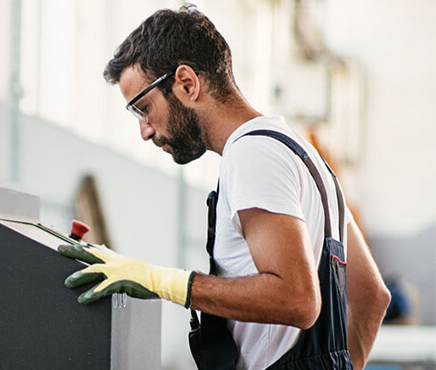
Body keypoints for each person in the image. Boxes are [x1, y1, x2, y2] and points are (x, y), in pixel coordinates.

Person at [58, 4, 390, 369]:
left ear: (187, 82)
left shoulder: (252, 155)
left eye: (143, 108)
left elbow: (297, 300)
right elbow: (372, 297)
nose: (145, 131)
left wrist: (158, 279)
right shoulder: (307, 158)